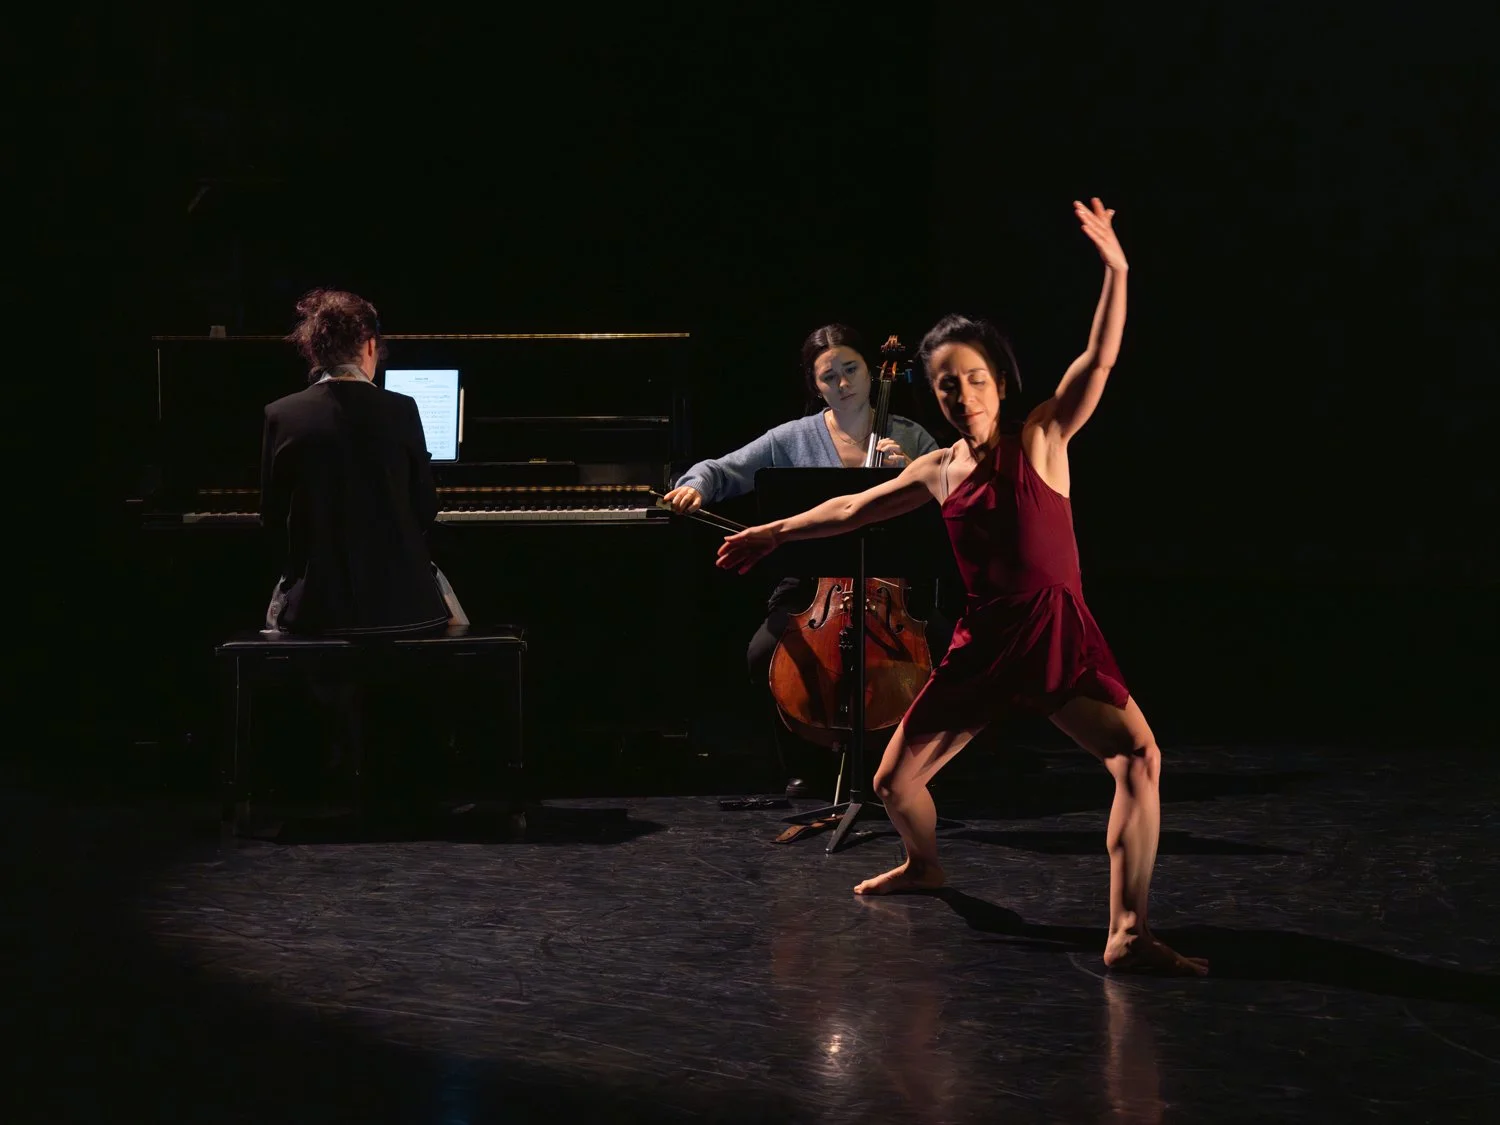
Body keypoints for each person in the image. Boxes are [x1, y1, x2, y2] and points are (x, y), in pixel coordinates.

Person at [717, 200, 1206, 975]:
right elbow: (850, 507)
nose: (963, 396)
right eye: (947, 387)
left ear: (1000, 382)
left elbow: (1099, 361)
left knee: (1139, 760)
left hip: (1053, 635)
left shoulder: (1043, 436)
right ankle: (926, 864)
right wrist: (772, 532)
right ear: (934, 397)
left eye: (975, 380)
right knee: (890, 782)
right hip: (984, 644)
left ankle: (1126, 930)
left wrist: (1116, 270)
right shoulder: (938, 468)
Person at [662, 325, 950, 798]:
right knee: (763, 654)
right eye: (828, 376)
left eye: (851, 369)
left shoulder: (910, 436)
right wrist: (695, 484)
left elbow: (962, 498)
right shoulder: (791, 438)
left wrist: (916, 474)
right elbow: (721, 469)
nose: (842, 384)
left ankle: (907, 764)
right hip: (811, 587)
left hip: (896, 588)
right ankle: (807, 763)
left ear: (870, 370)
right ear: (814, 385)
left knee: (945, 652)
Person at [261, 288, 466, 635]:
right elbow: (425, 509)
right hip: (402, 605)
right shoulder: (402, 409)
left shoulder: (281, 414)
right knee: (455, 622)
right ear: (370, 345)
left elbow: (273, 520)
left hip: (317, 607)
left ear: (314, 351)